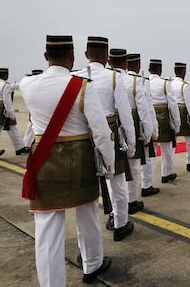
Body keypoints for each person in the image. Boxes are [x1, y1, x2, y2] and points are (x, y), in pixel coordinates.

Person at [21, 35, 114, 285]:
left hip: (43, 159)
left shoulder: (27, 85)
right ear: (72, 57)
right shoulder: (83, 85)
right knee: (88, 214)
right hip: (80, 158)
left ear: (45, 57)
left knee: (48, 228)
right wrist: (109, 163)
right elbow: (101, 132)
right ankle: (91, 265)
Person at [74, 42, 136, 241]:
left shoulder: (76, 76)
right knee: (117, 180)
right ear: (105, 55)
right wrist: (131, 144)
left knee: (90, 182)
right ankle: (120, 223)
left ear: (86, 54)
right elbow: (125, 115)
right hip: (110, 130)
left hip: (83, 132)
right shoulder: (114, 77)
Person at [114, 52, 153, 214]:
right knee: (133, 166)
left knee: (114, 170)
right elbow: (144, 111)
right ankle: (131, 200)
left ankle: (115, 209)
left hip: (110, 125)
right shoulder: (136, 81)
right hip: (131, 124)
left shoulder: (105, 78)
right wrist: (148, 133)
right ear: (136, 65)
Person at [127, 55, 160, 198]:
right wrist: (151, 132)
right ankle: (145, 187)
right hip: (136, 124)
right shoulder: (139, 81)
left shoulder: (114, 78)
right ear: (138, 65)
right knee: (140, 161)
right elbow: (146, 108)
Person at [148, 59, 181, 183]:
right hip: (163, 117)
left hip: (149, 116)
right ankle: (166, 173)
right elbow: (172, 104)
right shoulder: (164, 83)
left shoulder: (144, 82)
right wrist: (177, 123)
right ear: (160, 70)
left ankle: (148, 182)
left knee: (151, 150)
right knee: (166, 148)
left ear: (149, 70)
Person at [172, 62, 190, 171]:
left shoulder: (170, 84)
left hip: (172, 112)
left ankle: (168, 168)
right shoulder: (184, 85)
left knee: (172, 141)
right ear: (183, 72)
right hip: (183, 112)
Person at [0, 68, 30, 156]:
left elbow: (14, 86)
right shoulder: (5, 85)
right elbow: (7, 101)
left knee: (12, 128)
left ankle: (20, 147)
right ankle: (20, 148)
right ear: (5, 75)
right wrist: (11, 114)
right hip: (3, 111)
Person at [22, 69, 44, 149]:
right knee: (32, 125)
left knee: (32, 125)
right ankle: (26, 144)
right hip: (38, 108)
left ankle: (26, 144)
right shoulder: (40, 85)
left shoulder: (30, 85)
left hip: (34, 107)